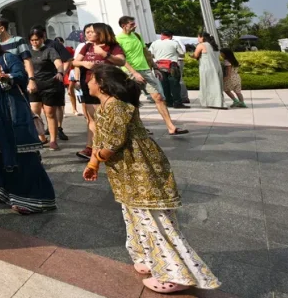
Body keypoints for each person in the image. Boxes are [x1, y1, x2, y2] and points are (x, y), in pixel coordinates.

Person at [84, 64, 220, 294]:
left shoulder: (117, 107)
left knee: (154, 219)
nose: (87, 83)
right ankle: (148, 258)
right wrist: (93, 163)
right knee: (135, 215)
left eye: (91, 79)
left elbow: (112, 143)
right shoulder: (104, 107)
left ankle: (175, 274)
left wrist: (99, 157)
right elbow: (100, 138)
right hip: (126, 171)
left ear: (102, 84)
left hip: (140, 167)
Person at [0, 31, 57, 214]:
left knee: (23, 154)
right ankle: (7, 192)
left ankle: (37, 199)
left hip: (13, 114)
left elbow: (21, 76)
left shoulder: (8, 58)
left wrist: (2, 76)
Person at [117, 17, 188, 137]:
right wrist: (134, 73)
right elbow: (121, 59)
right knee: (134, 101)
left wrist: (155, 67)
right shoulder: (118, 39)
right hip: (129, 72)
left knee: (159, 97)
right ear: (124, 25)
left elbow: (146, 53)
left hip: (146, 70)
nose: (135, 26)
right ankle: (139, 128)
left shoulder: (137, 36)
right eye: (132, 24)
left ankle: (171, 127)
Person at [72, 23, 127, 161]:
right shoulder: (87, 46)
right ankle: (91, 147)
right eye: (87, 32)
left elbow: (121, 61)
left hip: (106, 85)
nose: (88, 34)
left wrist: (105, 54)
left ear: (101, 32)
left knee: (105, 116)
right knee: (91, 118)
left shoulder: (113, 46)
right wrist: (85, 64)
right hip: (89, 85)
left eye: (91, 32)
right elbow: (75, 62)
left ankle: (107, 145)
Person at [28, 28, 66, 150]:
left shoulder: (50, 50)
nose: (35, 42)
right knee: (34, 113)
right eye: (32, 40)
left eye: (37, 39)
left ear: (42, 39)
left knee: (50, 113)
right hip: (33, 86)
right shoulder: (27, 53)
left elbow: (59, 63)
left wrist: (60, 71)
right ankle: (42, 137)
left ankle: (53, 140)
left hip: (49, 85)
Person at [148, 31, 188, 109]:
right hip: (172, 66)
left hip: (159, 66)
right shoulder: (174, 43)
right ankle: (177, 103)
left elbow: (150, 54)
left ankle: (168, 102)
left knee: (164, 85)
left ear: (162, 35)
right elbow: (182, 54)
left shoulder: (154, 43)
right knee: (175, 85)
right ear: (171, 36)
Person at [194, 33, 226, 109]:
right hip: (217, 67)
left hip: (207, 67)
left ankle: (211, 102)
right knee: (216, 85)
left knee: (207, 85)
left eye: (198, 37)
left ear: (202, 38)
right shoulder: (214, 46)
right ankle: (219, 102)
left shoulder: (201, 45)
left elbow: (195, 55)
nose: (198, 39)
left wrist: (193, 56)